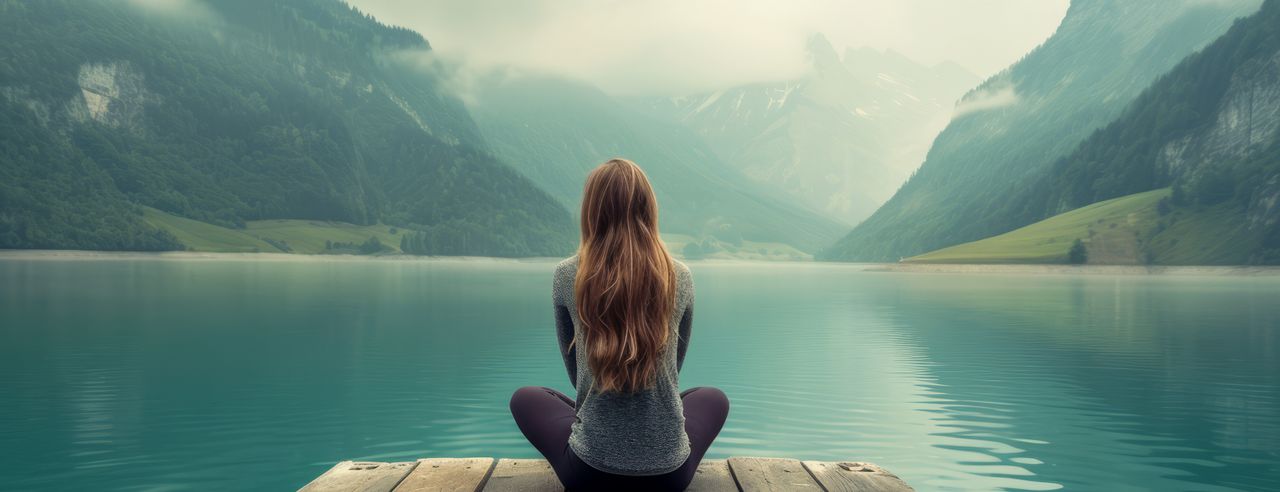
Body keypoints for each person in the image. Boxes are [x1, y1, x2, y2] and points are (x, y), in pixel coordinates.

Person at [509, 158, 730, 490]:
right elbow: (673, 368)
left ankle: (598, 431)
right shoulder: (679, 276)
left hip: (588, 474)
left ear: (591, 211)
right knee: (712, 397)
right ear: (648, 208)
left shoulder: (568, 275)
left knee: (526, 397)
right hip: (669, 477)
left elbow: (577, 375)